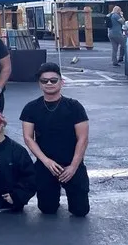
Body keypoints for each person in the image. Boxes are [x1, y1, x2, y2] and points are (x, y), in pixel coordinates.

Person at [20, 63, 90, 217]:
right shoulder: (31, 108)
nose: (49, 83)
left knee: (80, 211)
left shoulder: (75, 107)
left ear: (61, 82)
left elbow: (83, 138)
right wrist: (46, 162)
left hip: (71, 163)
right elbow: (28, 138)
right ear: (40, 84)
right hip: (46, 165)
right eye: (44, 81)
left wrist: (73, 167)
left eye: (53, 80)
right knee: (47, 209)